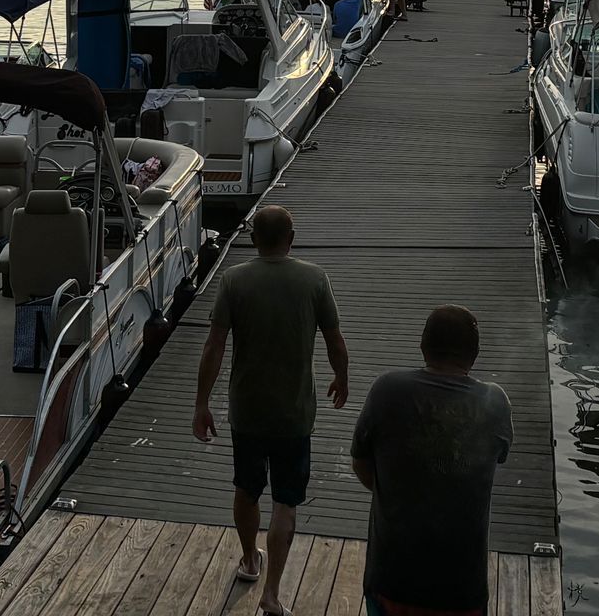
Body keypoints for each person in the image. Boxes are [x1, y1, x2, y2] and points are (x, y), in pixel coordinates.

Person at [195, 207, 349, 614]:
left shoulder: (234, 280)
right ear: (292, 237)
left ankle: (249, 559)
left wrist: (201, 403)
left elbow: (214, 347)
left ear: (253, 240)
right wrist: (342, 377)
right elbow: (335, 339)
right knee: (285, 502)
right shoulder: (315, 279)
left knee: (246, 490)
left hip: (247, 410)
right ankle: (272, 594)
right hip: (294, 413)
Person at [351, 306, 514, 616]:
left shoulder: (387, 390)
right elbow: (498, 457)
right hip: (462, 590)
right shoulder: (495, 402)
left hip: (392, 582)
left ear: (423, 346)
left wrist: (398, 494)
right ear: (474, 354)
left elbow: (360, 463)